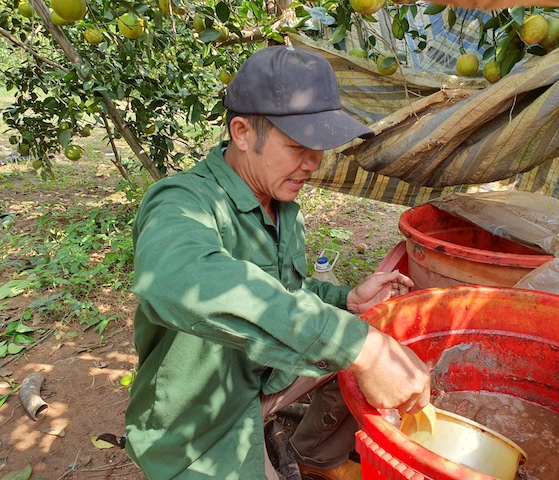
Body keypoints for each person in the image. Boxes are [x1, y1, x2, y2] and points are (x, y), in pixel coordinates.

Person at [124, 45, 431, 480]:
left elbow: (285, 291)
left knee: (383, 335)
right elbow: (176, 278)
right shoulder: (183, 202)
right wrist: (358, 346)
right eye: (297, 147)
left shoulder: (282, 203)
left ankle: (312, 455)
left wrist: (346, 300)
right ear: (243, 132)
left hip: (265, 378)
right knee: (364, 348)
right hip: (203, 420)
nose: (313, 164)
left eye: (320, 148)